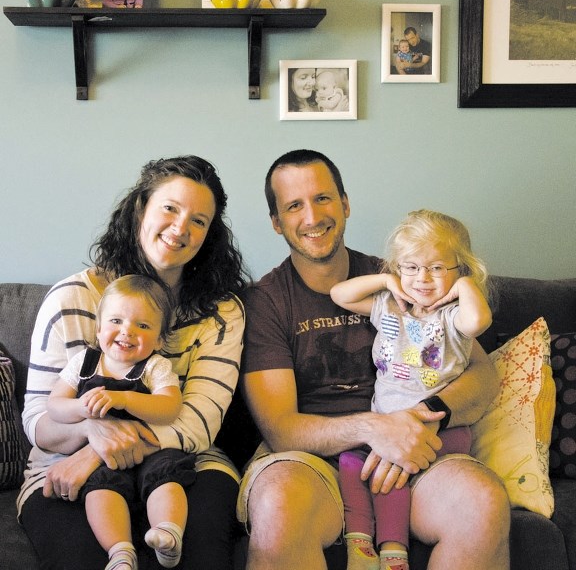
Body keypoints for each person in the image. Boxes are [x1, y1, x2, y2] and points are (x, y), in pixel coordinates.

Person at [237, 149, 510, 570]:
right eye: (294, 206)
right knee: (277, 507)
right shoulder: (267, 302)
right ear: (277, 222)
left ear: (345, 204)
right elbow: (282, 429)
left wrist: (418, 420)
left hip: (420, 451)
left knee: (483, 502)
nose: (312, 216)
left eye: (323, 198)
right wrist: (376, 429)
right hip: (314, 465)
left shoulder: (410, 277)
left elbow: (482, 376)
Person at [19, 155, 248, 570]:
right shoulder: (70, 299)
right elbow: (37, 421)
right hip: (62, 467)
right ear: (141, 208)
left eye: (199, 220)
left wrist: (97, 451)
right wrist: (89, 430)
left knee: (200, 553)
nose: (181, 228)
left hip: (182, 460)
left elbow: (197, 421)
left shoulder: (221, 312)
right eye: (170, 208)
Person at [330, 210, 493, 570]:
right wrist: (388, 281)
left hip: (442, 430)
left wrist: (464, 286)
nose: (423, 278)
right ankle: (360, 542)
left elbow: (479, 321)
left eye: (437, 268)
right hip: (388, 426)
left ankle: (393, 552)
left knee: (391, 470)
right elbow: (339, 293)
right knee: (351, 463)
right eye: (412, 267)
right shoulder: (389, 306)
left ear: (458, 270)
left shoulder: (452, 316)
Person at [47, 274, 191, 569]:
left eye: (143, 325)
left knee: (166, 477)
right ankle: (120, 552)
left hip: (151, 451)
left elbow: (169, 407)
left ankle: (168, 533)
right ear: (98, 329)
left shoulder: (155, 366)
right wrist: (81, 408)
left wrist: (125, 399)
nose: (127, 332)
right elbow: (54, 406)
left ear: (160, 339)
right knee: (100, 490)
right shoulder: (83, 363)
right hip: (103, 457)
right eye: (116, 321)